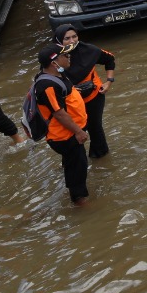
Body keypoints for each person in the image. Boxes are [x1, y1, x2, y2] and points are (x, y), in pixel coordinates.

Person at [34, 43, 90, 205]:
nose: (69, 56)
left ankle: (69, 177)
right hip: (65, 136)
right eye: (65, 55)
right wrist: (78, 131)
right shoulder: (46, 86)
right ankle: (79, 200)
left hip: (70, 131)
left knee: (72, 161)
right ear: (54, 63)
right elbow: (58, 113)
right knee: (78, 166)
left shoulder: (58, 75)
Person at [53, 24, 116, 159]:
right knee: (73, 132)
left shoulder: (89, 50)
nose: (72, 41)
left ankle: (101, 159)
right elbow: (48, 81)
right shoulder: (52, 58)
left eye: (74, 36)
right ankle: (74, 162)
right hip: (70, 102)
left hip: (93, 96)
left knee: (95, 128)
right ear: (58, 41)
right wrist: (70, 89)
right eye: (67, 38)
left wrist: (109, 82)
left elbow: (109, 60)